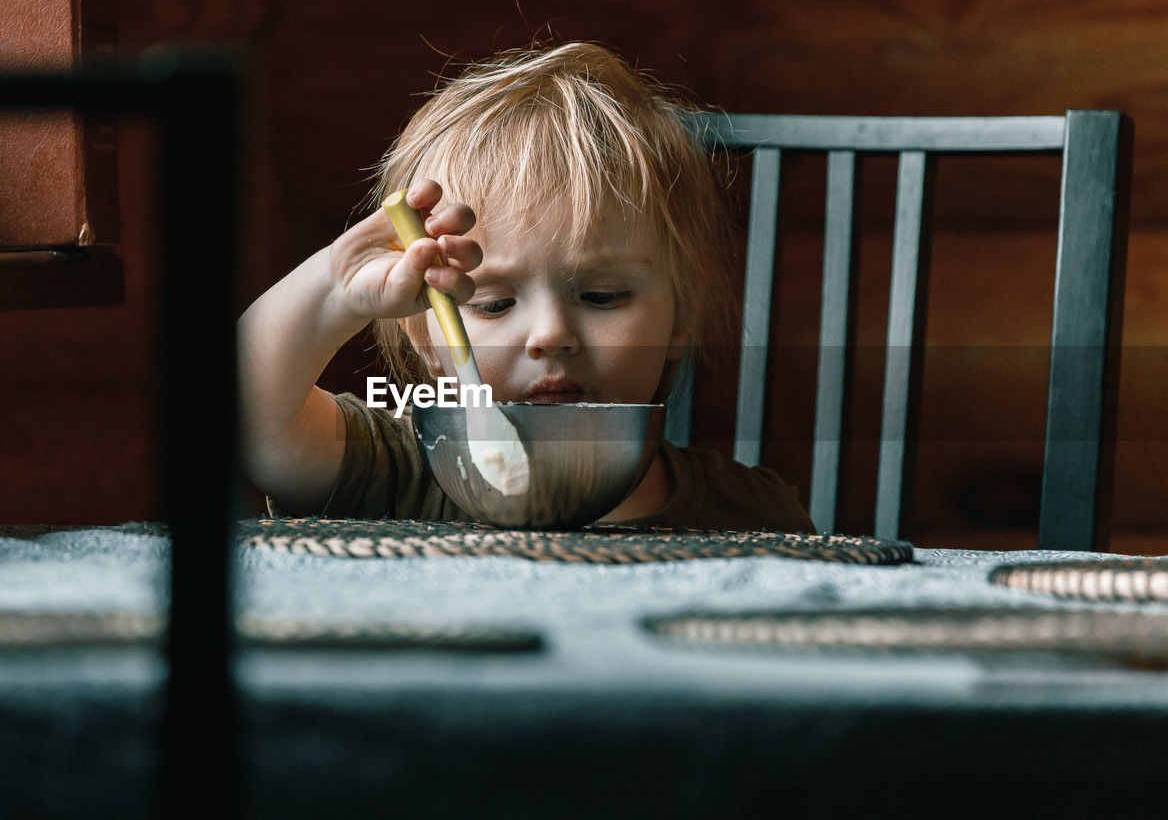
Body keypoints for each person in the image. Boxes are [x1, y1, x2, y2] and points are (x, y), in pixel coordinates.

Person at [238, 41, 815, 532]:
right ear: (428, 336)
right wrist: (336, 291)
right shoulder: (393, 469)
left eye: (602, 296)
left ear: (680, 317)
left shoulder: (753, 513)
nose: (550, 335)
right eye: (493, 303)